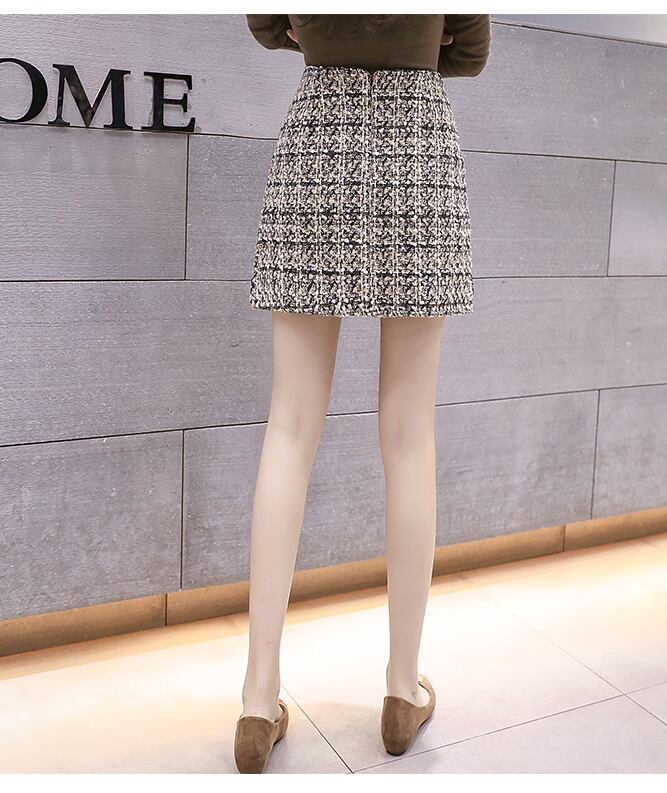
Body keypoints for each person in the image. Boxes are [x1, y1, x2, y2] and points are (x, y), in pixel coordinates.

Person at [235, 13, 491, 773]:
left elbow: (266, 24)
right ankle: (401, 689)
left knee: (289, 426)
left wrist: (324, 37)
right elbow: (471, 50)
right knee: (409, 434)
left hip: (318, 135)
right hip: (418, 140)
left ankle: (257, 698)